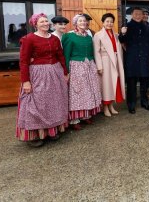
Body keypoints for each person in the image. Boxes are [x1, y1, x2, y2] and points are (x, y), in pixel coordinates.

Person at [16, 13, 69, 147]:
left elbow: (61, 56)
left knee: (54, 102)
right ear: (35, 24)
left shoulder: (55, 39)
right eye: (41, 22)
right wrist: (26, 81)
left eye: (46, 21)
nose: (45, 23)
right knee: (37, 103)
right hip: (38, 74)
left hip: (55, 72)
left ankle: (52, 130)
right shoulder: (29, 39)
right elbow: (23, 61)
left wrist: (65, 72)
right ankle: (35, 134)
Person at [62, 14, 102, 130]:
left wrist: (93, 66)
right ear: (75, 23)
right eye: (80, 21)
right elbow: (66, 55)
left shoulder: (89, 37)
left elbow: (92, 53)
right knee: (77, 92)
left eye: (84, 21)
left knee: (89, 91)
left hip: (89, 66)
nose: (83, 23)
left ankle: (86, 115)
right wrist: (67, 71)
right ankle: (75, 119)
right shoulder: (69, 36)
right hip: (76, 66)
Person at [119, 7, 149, 114]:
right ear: (132, 15)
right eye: (136, 14)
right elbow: (122, 41)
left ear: (143, 15)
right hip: (132, 59)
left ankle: (144, 102)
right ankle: (131, 104)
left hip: (144, 59)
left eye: (140, 14)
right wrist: (123, 33)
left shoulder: (147, 27)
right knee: (131, 84)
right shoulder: (127, 26)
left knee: (144, 83)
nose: (138, 16)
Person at [94, 13, 125, 117]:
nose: (109, 23)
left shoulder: (116, 35)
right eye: (107, 21)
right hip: (105, 62)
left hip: (115, 61)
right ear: (103, 23)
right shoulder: (98, 35)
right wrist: (99, 66)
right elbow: (96, 52)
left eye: (111, 22)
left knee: (114, 85)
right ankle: (105, 107)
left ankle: (111, 105)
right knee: (106, 85)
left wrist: (123, 33)